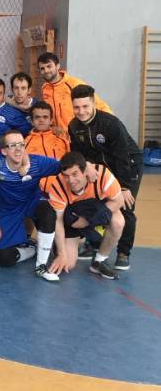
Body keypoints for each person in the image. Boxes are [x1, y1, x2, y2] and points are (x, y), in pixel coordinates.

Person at [68, 84, 143, 270]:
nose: (81, 111)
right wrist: (88, 165)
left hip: (128, 165)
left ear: (93, 103)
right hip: (101, 169)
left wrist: (124, 187)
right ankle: (95, 243)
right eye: (77, 107)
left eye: (85, 106)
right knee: (96, 202)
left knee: (124, 207)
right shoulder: (74, 126)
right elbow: (78, 154)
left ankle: (123, 253)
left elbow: (122, 156)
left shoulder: (110, 124)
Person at [0, 130, 60, 281]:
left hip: (31, 202)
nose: (18, 149)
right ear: (4, 151)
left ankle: (41, 266)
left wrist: (88, 166)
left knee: (48, 211)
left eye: (21, 145)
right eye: (12, 146)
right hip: (8, 210)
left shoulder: (37, 163)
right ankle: (33, 248)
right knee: (5, 260)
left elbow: (65, 165)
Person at [47, 152, 124, 280]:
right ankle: (66, 245)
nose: (71, 181)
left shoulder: (102, 175)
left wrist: (88, 220)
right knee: (68, 264)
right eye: (66, 176)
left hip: (94, 212)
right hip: (72, 219)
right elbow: (58, 221)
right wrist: (61, 253)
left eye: (75, 174)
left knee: (118, 221)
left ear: (85, 171)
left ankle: (99, 260)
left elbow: (119, 201)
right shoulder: (57, 185)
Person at [37, 52, 111, 131]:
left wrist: (110, 125)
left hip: (77, 134)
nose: (46, 71)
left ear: (57, 66)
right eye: (42, 68)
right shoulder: (44, 88)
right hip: (58, 136)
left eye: (49, 66)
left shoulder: (74, 84)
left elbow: (99, 105)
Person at [24, 101, 69, 192]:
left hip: (64, 187)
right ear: (31, 121)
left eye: (45, 117)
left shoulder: (62, 138)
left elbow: (71, 162)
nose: (41, 120)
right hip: (38, 191)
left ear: (51, 120)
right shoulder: (24, 144)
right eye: (37, 117)